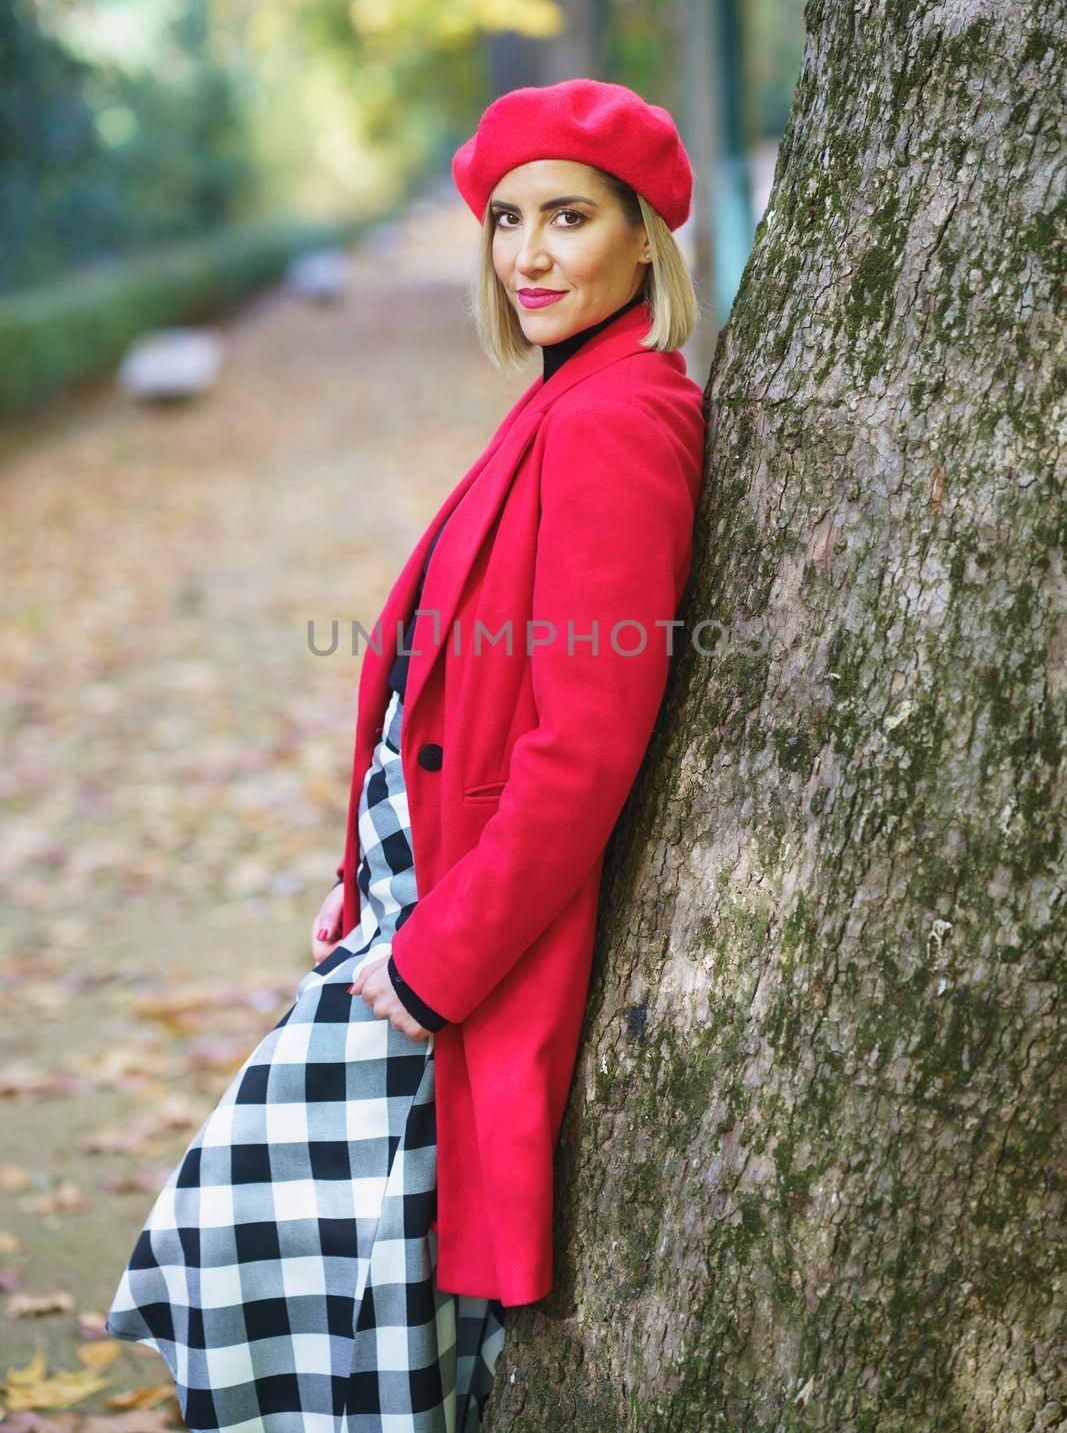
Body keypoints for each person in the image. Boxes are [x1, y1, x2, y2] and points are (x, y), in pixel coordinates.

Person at [106, 77, 707, 1431]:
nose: (530, 254)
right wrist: (360, 879)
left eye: (568, 218)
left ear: (639, 238)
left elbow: (582, 747)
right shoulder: (559, 402)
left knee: (266, 1244)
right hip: (405, 914)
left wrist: (434, 962)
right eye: (507, 221)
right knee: (302, 1267)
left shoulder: (617, 420)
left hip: (456, 950)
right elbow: (443, 700)